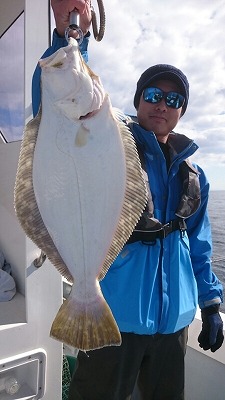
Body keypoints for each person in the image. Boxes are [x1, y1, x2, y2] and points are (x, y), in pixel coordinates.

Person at [32, 1, 224, 399]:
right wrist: (72, 37)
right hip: (115, 317)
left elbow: (199, 248)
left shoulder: (196, 176)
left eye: (173, 100)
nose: (162, 105)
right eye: (154, 94)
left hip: (173, 327)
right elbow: (63, 106)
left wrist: (210, 303)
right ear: (138, 100)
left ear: (182, 112)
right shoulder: (115, 140)